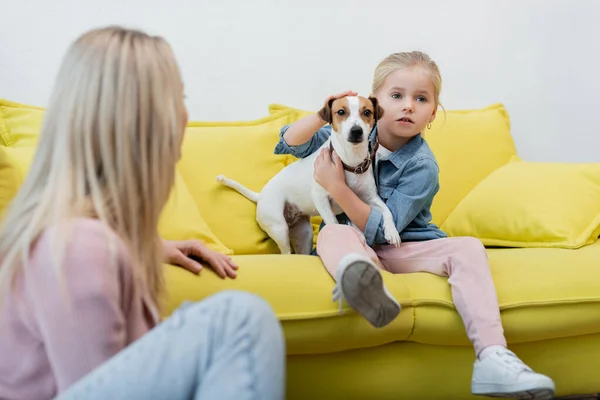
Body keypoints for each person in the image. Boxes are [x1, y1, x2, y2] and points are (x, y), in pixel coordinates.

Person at [0, 26, 286, 400]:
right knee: (240, 321)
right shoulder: (80, 247)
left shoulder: (78, 239)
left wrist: (144, 245)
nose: (186, 115)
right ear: (148, 124)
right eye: (177, 99)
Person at [274, 51, 555, 399]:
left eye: (420, 99)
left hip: (406, 246)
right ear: (374, 105)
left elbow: (380, 229)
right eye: (397, 96)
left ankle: (493, 356)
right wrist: (324, 112)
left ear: (432, 113)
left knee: (467, 246)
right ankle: (361, 278)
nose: (408, 106)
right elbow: (288, 142)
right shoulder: (352, 131)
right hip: (355, 244)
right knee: (333, 231)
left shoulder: (422, 165)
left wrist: (336, 188)